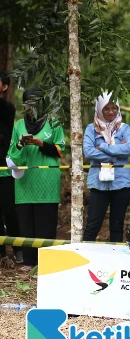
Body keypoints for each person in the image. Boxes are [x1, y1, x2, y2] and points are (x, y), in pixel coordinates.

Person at [8, 88, 65, 270]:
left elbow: (60, 151)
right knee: (25, 221)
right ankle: (29, 261)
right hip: (25, 181)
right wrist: (19, 144)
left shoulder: (53, 122)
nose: (31, 106)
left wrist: (41, 144)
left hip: (47, 179)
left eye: (35, 102)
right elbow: (11, 155)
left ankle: (46, 262)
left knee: (46, 221)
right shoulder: (18, 126)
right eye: (28, 103)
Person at [82, 92, 130, 242]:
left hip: (122, 182)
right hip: (99, 183)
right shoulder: (91, 129)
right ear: (99, 110)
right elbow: (88, 152)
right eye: (106, 109)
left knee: (117, 225)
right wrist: (116, 154)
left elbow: (128, 149)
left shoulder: (124, 128)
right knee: (93, 224)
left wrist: (103, 146)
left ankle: (115, 261)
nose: (111, 112)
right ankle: (85, 257)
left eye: (114, 108)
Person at [0, 72, 22, 266]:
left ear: (4, 87)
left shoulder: (7, 108)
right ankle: (2, 255)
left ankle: (18, 249)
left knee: (9, 209)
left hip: (3, 165)